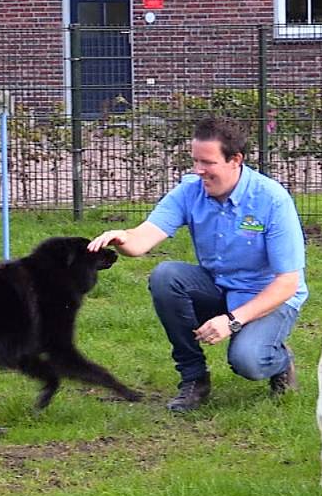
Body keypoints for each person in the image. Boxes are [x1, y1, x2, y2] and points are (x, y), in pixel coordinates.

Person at [88, 116, 308, 412]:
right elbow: (142, 240)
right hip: (220, 288)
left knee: (248, 363)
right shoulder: (190, 191)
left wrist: (231, 321)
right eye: (195, 161)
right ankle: (194, 379)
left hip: (269, 297)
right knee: (166, 276)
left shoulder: (272, 200)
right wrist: (121, 237)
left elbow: (287, 283)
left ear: (235, 160)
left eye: (207, 163)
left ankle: (278, 360)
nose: (198, 170)